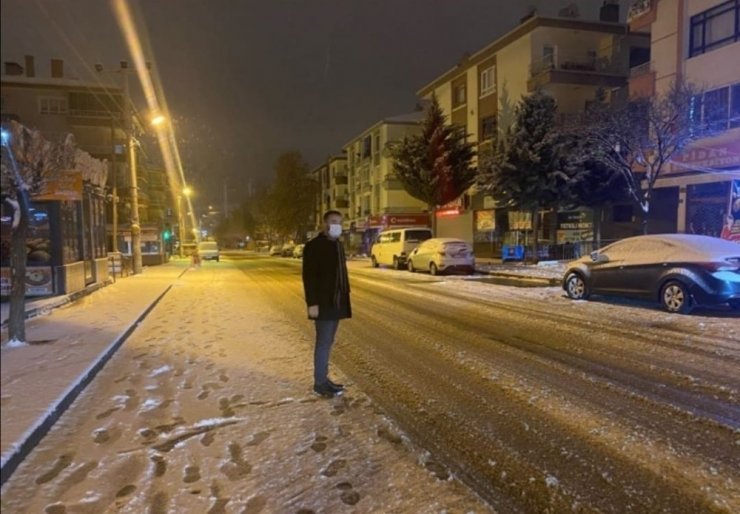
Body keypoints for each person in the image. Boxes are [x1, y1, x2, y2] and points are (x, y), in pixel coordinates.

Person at [302, 210, 351, 398]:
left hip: (337, 301)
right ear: (324, 224)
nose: (336, 224)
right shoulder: (314, 246)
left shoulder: (337, 245)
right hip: (323, 303)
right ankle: (320, 383)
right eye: (332, 221)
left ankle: (323, 378)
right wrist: (312, 303)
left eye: (339, 222)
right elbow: (309, 277)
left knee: (328, 342)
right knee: (323, 343)